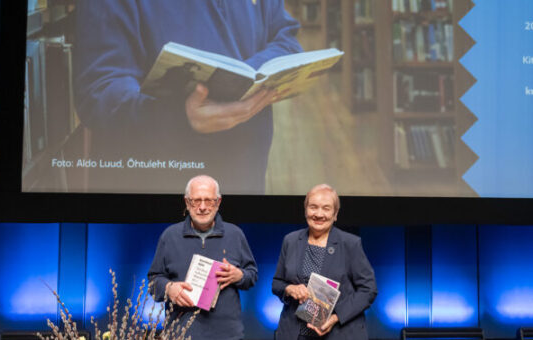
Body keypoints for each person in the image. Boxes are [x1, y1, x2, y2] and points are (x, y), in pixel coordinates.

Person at [74, 1, 302, 194]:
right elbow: (100, 91)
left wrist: (243, 77)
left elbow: (285, 37)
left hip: (247, 174)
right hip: (159, 187)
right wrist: (178, 118)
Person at [147, 175, 258, 340]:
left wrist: (239, 276)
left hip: (227, 335)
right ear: (187, 202)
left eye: (209, 201)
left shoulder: (235, 234)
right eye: (196, 201)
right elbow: (153, 282)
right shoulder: (170, 236)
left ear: (218, 202)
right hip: (181, 334)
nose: (203, 207)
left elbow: (252, 275)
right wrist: (169, 288)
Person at [272, 184, 377, 340]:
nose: (319, 214)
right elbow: (277, 283)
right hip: (295, 333)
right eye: (313, 207)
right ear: (305, 210)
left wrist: (336, 317)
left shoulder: (350, 244)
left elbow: (368, 290)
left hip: (339, 333)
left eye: (326, 209)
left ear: (335, 214)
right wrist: (290, 289)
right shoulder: (291, 241)